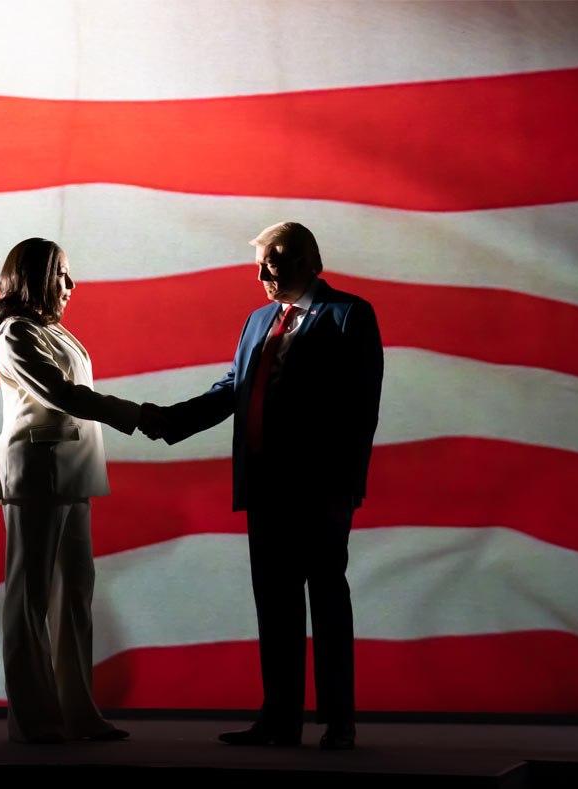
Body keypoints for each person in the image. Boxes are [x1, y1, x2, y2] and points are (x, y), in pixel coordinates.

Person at [141, 222, 382, 750]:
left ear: (307, 262)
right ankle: (280, 720)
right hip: (265, 487)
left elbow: (361, 408)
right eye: (260, 262)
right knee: (275, 607)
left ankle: (339, 722)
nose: (262, 273)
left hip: (319, 490)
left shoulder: (349, 315)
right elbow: (233, 388)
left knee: (327, 602)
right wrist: (169, 421)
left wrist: (347, 484)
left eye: (273, 261)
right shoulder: (257, 321)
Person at [0, 237, 161, 743]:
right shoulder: (16, 331)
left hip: (70, 475)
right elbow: (61, 396)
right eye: (61, 273)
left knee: (74, 596)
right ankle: (35, 722)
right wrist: (138, 415)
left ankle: (77, 712)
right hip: (36, 474)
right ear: (35, 276)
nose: (71, 284)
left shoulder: (51, 330)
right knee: (30, 598)